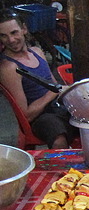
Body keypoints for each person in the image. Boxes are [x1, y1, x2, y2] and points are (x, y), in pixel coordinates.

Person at [0, 9, 73, 148]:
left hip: (56, 108)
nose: (10, 40)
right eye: (3, 36)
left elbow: (55, 85)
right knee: (58, 137)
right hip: (40, 118)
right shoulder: (8, 67)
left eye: (14, 32)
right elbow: (26, 116)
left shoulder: (37, 52)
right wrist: (52, 93)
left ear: (24, 29)